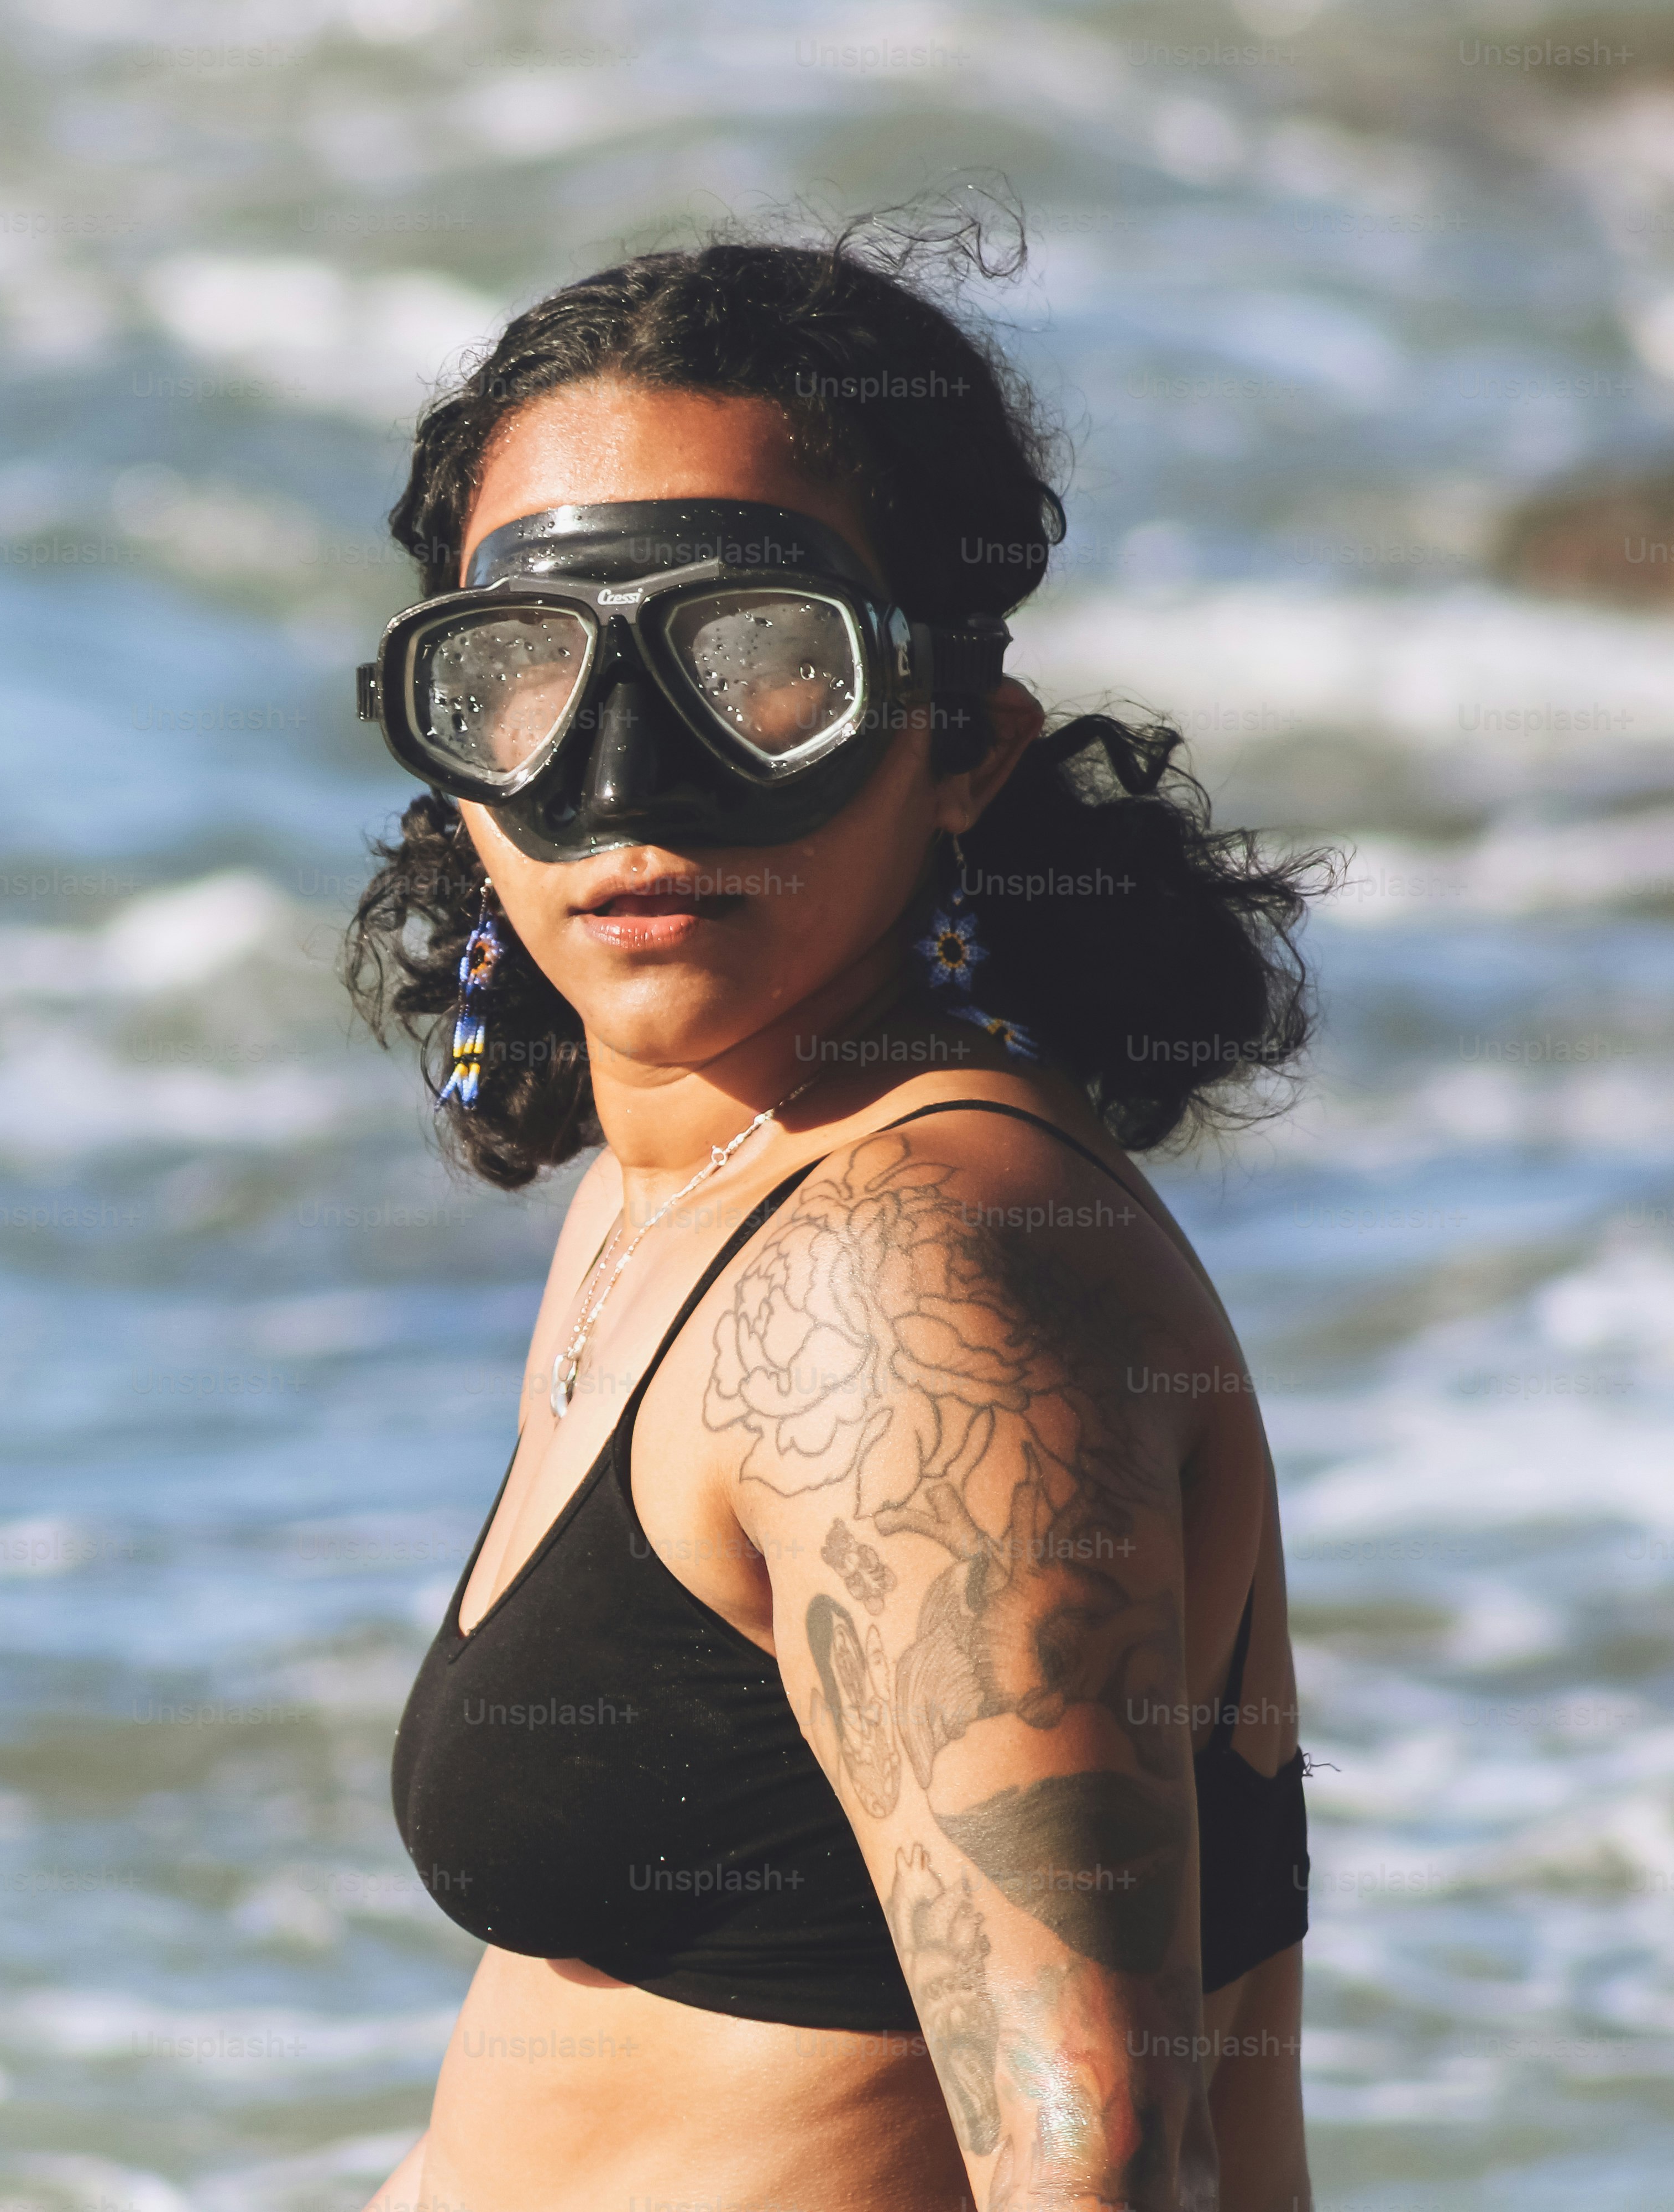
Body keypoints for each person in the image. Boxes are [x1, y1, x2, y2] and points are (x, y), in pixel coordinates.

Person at [344, 221, 1321, 2210]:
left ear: (960, 741)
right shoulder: (703, 1179)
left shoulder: (905, 1281)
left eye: (759, 668)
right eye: (523, 672)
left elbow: (1105, 2166)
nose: (626, 784)